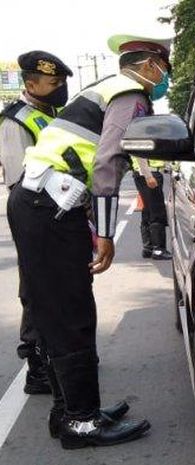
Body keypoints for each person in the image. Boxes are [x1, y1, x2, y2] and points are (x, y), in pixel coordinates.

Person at [6, 33, 173, 449]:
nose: (165, 77)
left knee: (61, 310)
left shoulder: (100, 90)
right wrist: (103, 233)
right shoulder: (131, 94)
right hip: (50, 207)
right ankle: (80, 422)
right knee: (70, 312)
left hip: (41, 205)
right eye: (165, 69)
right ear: (151, 66)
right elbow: (107, 161)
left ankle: (70, 412)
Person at [0, 51, 72, 395]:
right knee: (36, 285)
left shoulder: (50, 114)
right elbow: (18, 180)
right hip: (34, 214)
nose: (61, 89)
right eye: (54, 83)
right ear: (31, 84)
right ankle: (37, 365)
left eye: (62, 82)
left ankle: (60, 356)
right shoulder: (16, 121)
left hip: (57, 213)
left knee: (56, 285)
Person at [132, 156, 172, 259]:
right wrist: (148, 176)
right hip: (149, 173)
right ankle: (158, 250)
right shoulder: (142, 139)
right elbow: (140, 154)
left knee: (148, 210)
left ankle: (148, 248)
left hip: (144, 173)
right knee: (157, 211)